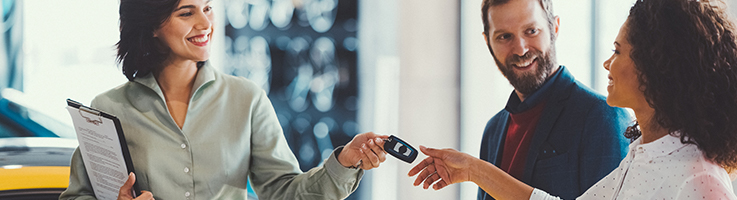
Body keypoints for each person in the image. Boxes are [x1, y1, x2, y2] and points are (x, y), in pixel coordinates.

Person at [59, 0, 388, 199]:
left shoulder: (246, 98)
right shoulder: (109, 109)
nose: (206, 24)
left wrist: (345, 161)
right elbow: (79, 197)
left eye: (207, 8)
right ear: (153, 26)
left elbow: (284, 193)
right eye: (186, 13)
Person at [409, 0, 737, 199]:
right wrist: (473, 169)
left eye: (618, 51)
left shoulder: (699, 178)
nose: (607, 63)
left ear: (654, 68)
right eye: (505, 36)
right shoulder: (640, 158)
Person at [475, 0, 631, 199]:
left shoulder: (602, 116)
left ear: (554, 28)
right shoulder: (493, 130)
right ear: (488, 41)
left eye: (531, 31)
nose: (521, 50)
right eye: (505, 36)